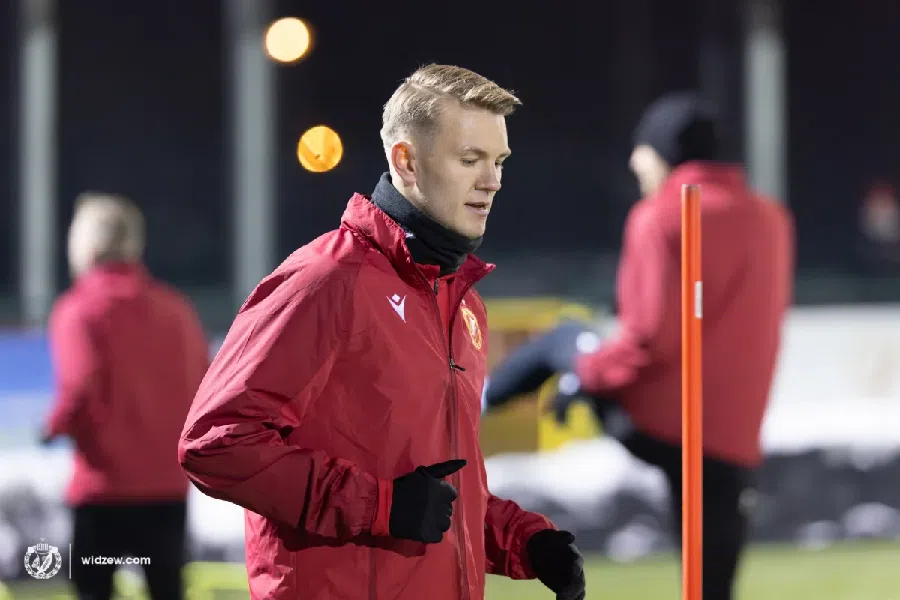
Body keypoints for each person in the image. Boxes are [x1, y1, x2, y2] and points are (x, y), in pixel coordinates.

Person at [178, 64, 586, 600]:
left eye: (499, 161)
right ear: (406, 161)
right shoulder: (326, 280)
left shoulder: (463, 304)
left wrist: (522, 541)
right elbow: (215, 443)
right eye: (470, 160)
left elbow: (431, 494)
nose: (493, 181)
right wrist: (379, 506)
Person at [484, 91, 795, 600]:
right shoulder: (772, 219)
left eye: (641, 149)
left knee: (566, 336)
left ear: (665, 152)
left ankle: (474, 406)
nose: (634, 161)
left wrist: (584, 376)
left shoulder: (660, 216)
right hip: (735, 433)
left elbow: (648, 339)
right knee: (712, 589)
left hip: (663, 420)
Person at [41, 193, 210, 600]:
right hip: (168, 487)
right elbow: (207, 389)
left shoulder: (78, 311)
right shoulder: (176, 309)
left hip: (103, 491)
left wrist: (51, 429)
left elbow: (79, 390)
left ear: (86, 246)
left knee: (93, 588)